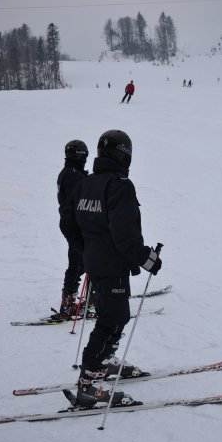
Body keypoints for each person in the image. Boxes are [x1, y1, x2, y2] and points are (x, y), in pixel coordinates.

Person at [61, 129, 162, 407]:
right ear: (124, 155)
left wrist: (87, 249)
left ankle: (103, 362)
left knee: (113, 315)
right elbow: (125, 235)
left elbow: (68, 223)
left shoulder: (86, 183)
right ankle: (89, 385)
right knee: (112, 320)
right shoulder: (119, 185)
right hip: (111, 262)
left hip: (96, 261)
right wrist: (148, 259)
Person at [57, 140, 89, 318]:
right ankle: (70, 304)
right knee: (81, 262)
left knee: (80, 261)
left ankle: (74, 300)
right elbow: (78, 203)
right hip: (76, 226)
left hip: (71, 224)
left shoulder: (70, 172)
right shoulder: (73, 175)